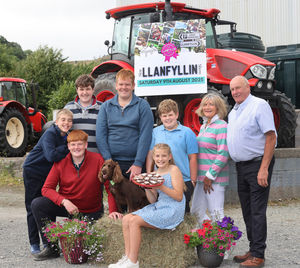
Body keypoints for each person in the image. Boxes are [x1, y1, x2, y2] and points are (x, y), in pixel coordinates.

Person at [31, 130, 122, 261]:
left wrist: (113, 211)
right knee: (38, 204)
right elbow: (46, 189)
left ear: (86, 145)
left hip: (91, 211)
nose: (76, 148)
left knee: (88, 249)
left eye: (80, 144)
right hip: (68, 208)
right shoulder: (61, 162)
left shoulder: (98, 160)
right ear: (68, 146)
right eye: (73, 145)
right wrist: (64, 201)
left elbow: (110, 188)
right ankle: (52, 247)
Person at [109, 143, 186, 268]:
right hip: (160, 205)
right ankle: (127, 257)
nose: (160, 159)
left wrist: (161, 187)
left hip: (172, 209)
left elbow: (179, 196)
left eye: (163, 156)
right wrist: (148, 188)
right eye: (157, 156)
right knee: (127, 218)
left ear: (169, 157)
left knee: (134, 221)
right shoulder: (155, 173)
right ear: (153, 158)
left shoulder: (174, 170)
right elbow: (153, 200)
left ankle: (133, 262)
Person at [227, 76, 277, 267]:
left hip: (257, 164)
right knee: (248, 210)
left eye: (238, 88)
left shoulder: (259, 105)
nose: (235, 92)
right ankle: (252, 249)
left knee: (256, 210)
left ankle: (258, 255)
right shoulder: (235, 110)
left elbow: (271, 137)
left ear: (248, 87)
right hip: (242, 166)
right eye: (232, 89)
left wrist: (264, 168)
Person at [23, 108, 73, 255]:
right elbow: (51, 156)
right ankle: (34, 243)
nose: (66, 123)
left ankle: (50, 242)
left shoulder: (67, 135)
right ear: (56, 122)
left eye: (69, 120)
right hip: (33, 170)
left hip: (48, 174)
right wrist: (67, 147)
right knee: (32, 207)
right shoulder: (50, 134)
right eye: (63, 120)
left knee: (45, 206)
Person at [96, 69, 154, 180]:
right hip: (113, 162)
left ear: (133, 86)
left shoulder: (142, 106)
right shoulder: (106, 107)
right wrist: (109, 162)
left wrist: (138, 163)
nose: (124, 87)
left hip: (135, 162)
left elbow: (145, 135)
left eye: (127, 84)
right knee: (115, 196)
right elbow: (101, 136)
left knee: (136, 196)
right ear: (116, 85)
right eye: (121, 84)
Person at [145, 99, 198, 213]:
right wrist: (149, 174)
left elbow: (192, 157)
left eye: (170, 115)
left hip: (183, 179)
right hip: (161, 179)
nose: (168, 118)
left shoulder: (187, 132)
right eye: (164, 116)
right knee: (163, 210)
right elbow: (150, 155)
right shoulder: (155, 132)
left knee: (183, 211)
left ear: (177, 115)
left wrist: (193, 180)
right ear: (160, 117)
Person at [190, 93, 229, 224]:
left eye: (211, 104)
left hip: (214, 179)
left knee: (216, 212)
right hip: (202, 178)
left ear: (218, 108)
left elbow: (223, 154)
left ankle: (223, 243)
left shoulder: (221, 126)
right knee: (196, 212)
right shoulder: (204, 126)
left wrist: (210, 175)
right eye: (205, 104)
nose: (207, 107)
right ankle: (206, 239)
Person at [64, 74, 101, 153]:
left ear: (93, 89)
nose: (84, 92)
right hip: (74, 157)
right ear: (77, 90)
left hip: (96, 156)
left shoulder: (103, 108)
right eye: (81, 89)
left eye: (88, 89)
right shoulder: (68, 108)